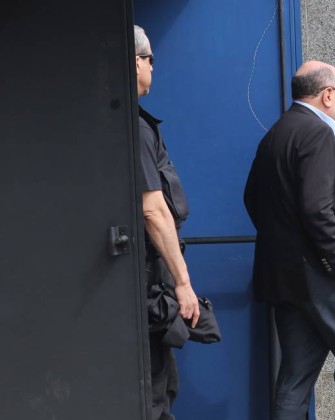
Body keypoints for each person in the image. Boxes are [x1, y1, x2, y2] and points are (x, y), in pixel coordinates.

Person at [244, 61, 335, 420]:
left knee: (296, 375)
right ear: (328, 95)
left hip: (286, 277)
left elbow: (252, 199)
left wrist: (288, 246)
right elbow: (315, 208)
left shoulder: (276, 134)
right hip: (323, 278)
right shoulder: (316, 133)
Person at [134, 25, 200, 420]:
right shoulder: (136, 128)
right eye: (150, 60)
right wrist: (183, 282)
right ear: (135, 62)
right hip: (145, 282)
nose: (153, 68)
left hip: (142, 282)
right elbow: (153, 209)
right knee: (156, 393)